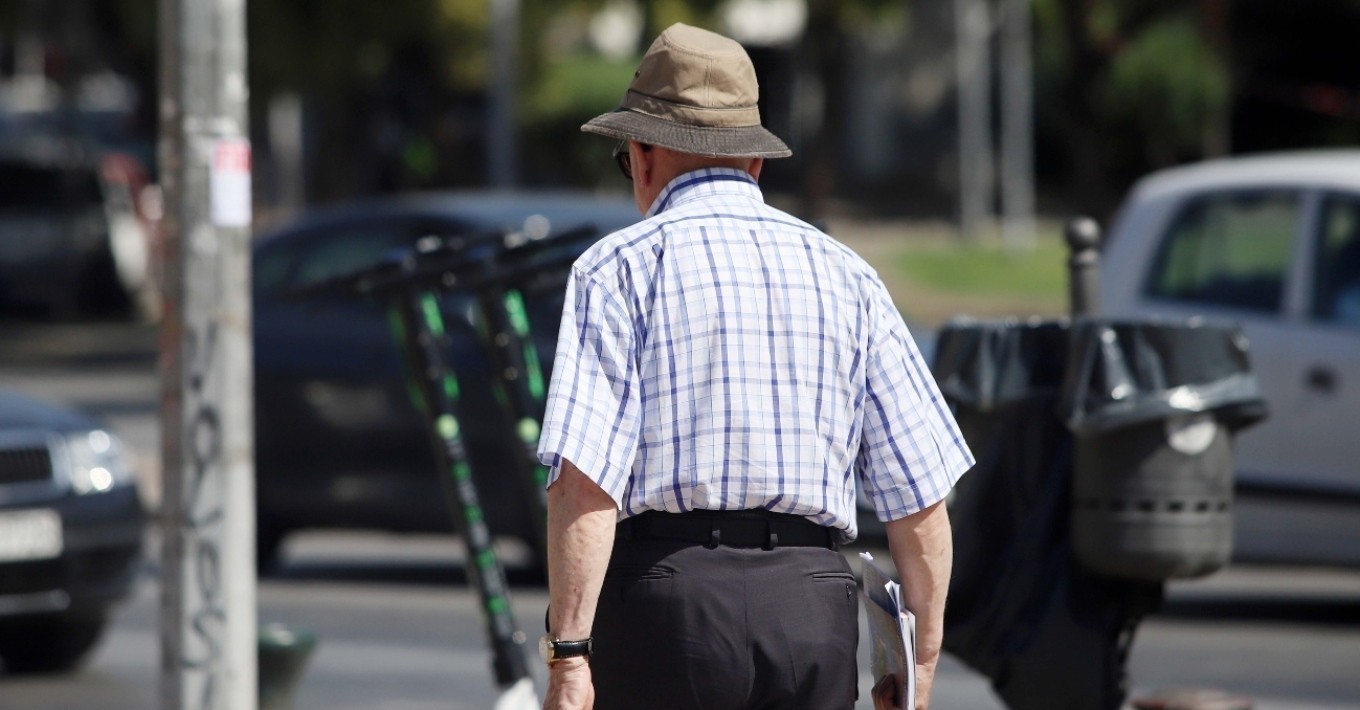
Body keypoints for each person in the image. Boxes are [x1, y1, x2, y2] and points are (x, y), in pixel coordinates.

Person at [536, 23, 974, 710]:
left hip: (666, 603)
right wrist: (917, 665)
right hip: (811, 613)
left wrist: (568, 658)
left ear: (643, 153)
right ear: (754, 163)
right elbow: (920, 497)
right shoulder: (848, 274)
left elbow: (584, 487)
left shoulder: (614, 269)